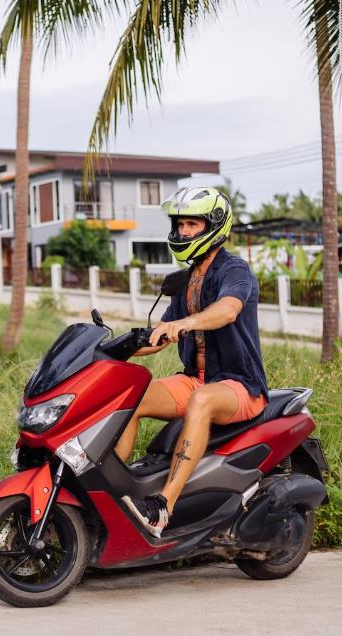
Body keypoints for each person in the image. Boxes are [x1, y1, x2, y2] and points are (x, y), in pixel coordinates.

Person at [119, 187, 268, 538]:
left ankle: (162, 507)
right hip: (195, 378)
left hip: (239, 385)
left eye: (191, 224)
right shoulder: (188, 281)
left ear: (213, 226)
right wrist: (112, 350)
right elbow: (161, 336)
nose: (183, 231)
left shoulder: (235, 270)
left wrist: (186, 323)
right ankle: (113, 492)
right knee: (130, 393)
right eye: (180, 224)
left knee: (202, 399)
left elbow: (228, 310)